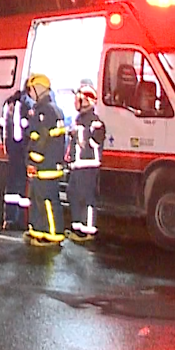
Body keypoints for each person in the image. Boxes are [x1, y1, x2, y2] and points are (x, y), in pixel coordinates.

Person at [24, 73, 68, 247]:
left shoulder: (44, 111)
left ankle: (52, 234)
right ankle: (39, 230)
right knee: (38, 199)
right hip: (48, 163)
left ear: (38, 88)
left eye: (31, 89)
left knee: (47, 200)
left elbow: (40, 139)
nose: (30, 93)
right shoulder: (53, 109)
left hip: (45, 164)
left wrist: (33, 161)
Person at [66, 82, 106, 242]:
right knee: (73, 194)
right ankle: (77, 228)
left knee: (87, 198)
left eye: (79, 99)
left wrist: (83, 135)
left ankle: (88, 230)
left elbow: (96, 141)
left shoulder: (95, 122)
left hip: (88, 165)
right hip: (77, 165)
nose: (76, 102)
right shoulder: (79, 120)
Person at [0, 86, 35, 233]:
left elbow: (2, 126)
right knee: (22, 187)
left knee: (11, 186)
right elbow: (28, 129)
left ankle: (9, 219)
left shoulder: (9, 103)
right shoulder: (26, 104)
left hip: (11, 151)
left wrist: (7, 145)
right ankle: (21, 220)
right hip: (22, 151)